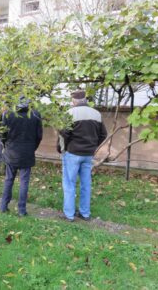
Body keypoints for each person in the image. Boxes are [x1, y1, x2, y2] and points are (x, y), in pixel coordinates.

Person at [58, 90, 107, 222]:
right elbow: (103, 135)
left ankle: (69, 215)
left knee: (69, 184)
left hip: (72, 153)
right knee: (86, 184)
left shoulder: (69, 113)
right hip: (88, 155)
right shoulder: (96, 114)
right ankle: (85, 213)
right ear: (85, 99)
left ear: (73, 101)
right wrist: (93, 146)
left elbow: (64, 134)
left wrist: (63, 149)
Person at [0, 96, 43, 216]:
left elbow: (2, 134)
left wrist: (6, 145)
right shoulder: (35, 115)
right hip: (27, 152)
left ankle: (3, 206)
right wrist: (32, 148)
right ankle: (22, 210)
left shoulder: (8, 114)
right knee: (24, 182)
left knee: (8, 179)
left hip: (11, 152)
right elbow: (39, 136)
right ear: (29, 102)